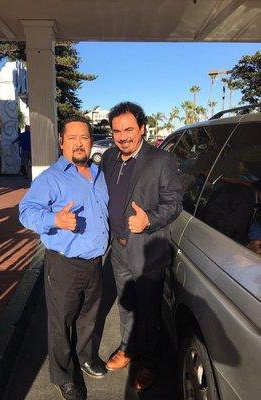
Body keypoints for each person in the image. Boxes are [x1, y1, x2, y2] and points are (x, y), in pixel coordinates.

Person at [19, 116, 109, 400]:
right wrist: (54, 219)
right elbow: (25, 211)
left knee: (88, 317)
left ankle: (84, 357)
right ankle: (62, 375)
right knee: (60, 322)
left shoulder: (98, 173)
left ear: (91, 141)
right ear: (62, 142)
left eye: (84, 137)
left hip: (96, 263)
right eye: (72, 138)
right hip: (64, 264)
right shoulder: (51, 178)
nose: (79, 143)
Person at [101, 102, 182, 391]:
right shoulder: (109, 157)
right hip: (118, 249)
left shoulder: (161, 160)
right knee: (126, 305)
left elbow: (174, 202)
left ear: (143, 129)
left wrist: (148, 220)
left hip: (147, 250)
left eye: (129, 130)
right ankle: (128, 348)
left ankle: (149, 362)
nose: (123, 137)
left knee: (148, 311)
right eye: (117, 131)